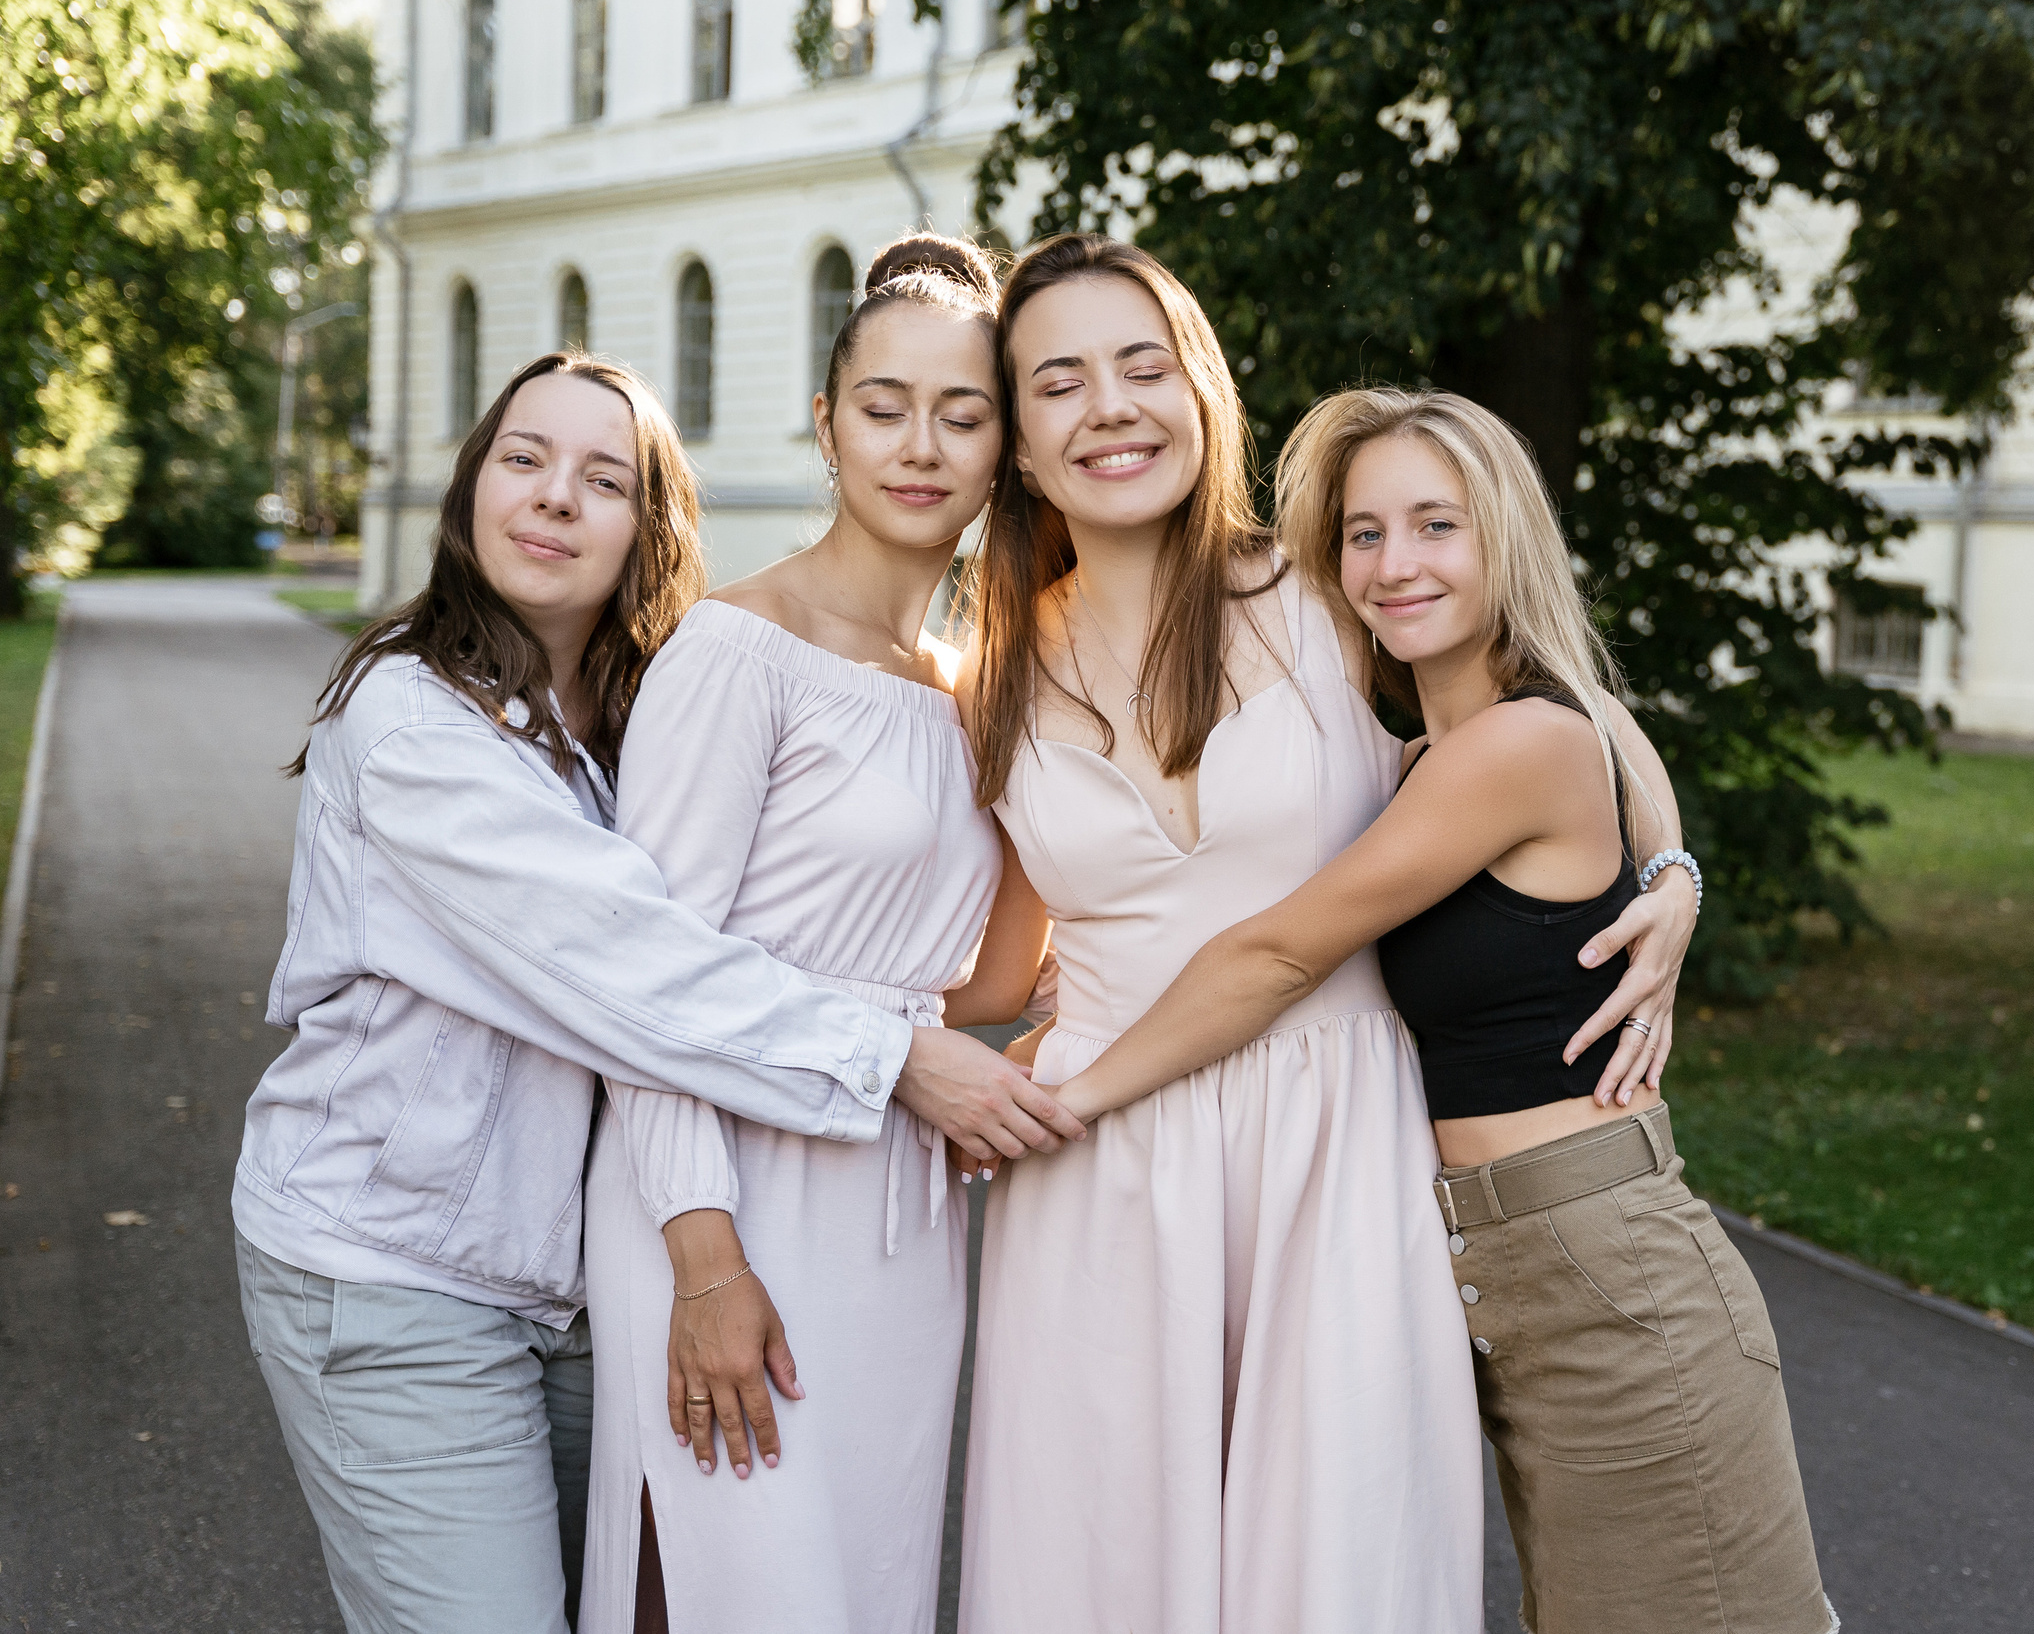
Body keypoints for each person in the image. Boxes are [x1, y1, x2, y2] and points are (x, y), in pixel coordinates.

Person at [232, 351, 1071, 1634]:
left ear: (647, 523)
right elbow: (635, 964)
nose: (556, 498)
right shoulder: (408, 728)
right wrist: (897, 1058)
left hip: (562, 1276)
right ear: (469, 494)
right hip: (392, 1266)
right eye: (524, 460)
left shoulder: (617, 718)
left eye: (602, 478)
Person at [951, 237, 1697, 1634]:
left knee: (1335, 1562)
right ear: (1022, 447)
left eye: (1140, 364)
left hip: (1337, 1144)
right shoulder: (989, 668)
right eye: (1059, 382)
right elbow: (996, 959)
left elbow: (1568, 713)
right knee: (1095, 1564)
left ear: (1200, 390)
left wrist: (1672, 868)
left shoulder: (1323, 592)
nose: (1109, 404)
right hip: (1094, 1160)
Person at [1060, 387, 1836, 1634]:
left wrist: (1067, 1097)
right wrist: (1674, 871)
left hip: (1610, 1281)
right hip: (1507, 1274)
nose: (1393, 563)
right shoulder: (1435, 755)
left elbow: (1275, 953)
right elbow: (1621, 735)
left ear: (1503, 540)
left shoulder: (1512, 748)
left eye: (1437, 524)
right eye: (1363, 533)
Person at [578, 235, 1069, 1634]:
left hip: (899, 1207)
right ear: (827, 424)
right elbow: (647, 985)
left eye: (964, 415)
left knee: (856, 1583)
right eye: (884, 406)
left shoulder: (970, 685)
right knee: (726, 1572)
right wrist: (704, 1259)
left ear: (1006, 450)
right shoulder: (737, 651)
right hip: (728, 1185)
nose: (921, 445)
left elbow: (973, 978)